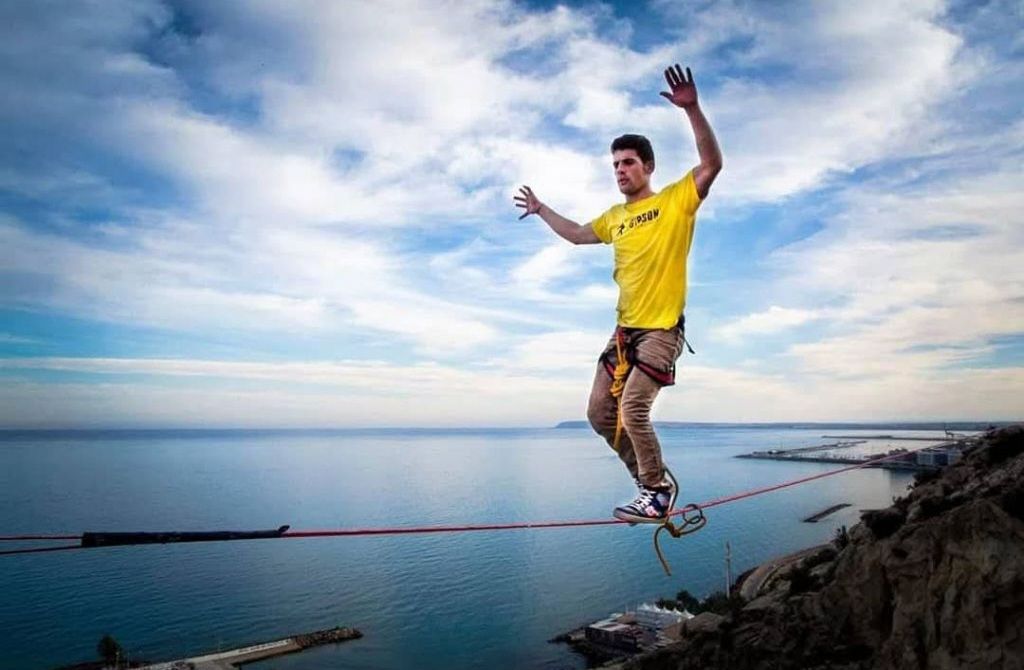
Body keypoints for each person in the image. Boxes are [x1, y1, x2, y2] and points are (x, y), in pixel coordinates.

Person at [514, 63, 722, 523]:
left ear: (647, 166)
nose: (621, 170)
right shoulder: (614, 217)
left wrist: (692, 109)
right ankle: (653, 486)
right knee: (598, 414)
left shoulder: (673, 201)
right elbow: (576, 234)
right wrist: (542, 208)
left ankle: (655, 493)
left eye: (628, 162)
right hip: (624, 332)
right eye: (615, 165)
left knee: (633, 407)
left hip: (661, 330)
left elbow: (711, 165)